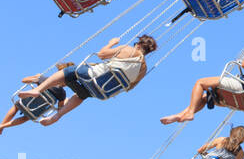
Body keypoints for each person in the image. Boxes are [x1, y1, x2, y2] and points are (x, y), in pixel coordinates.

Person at [16, 36, 156, 126]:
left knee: (69, 71)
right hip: (102, 93)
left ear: (138, 44)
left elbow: (101, 55)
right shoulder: (143, 69)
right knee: (81, 95)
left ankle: (37, 90)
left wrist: (111, 43)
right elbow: (130, 87)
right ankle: (58, 115)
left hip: (93, 77)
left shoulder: (128, 49)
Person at [159, 45, 244, 124]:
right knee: (204, 98)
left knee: (201, 83)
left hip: (242, 88)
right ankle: (181, 115)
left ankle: (190, 113)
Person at [1, 65, 72, 135]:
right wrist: (65, 101)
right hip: (36, 110)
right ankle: (2, 126)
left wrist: (37, 78)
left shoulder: (45, 79)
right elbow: (60, 108)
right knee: (27, 118)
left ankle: (1, 126)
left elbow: (24, 80)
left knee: (16, 106)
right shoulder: (62, 94)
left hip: (27, 101)